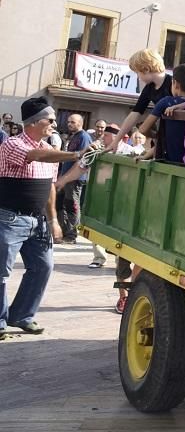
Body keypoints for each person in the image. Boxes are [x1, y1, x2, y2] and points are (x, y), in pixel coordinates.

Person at [0, 98, 85, 338]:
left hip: (37, 222)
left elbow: (49, 187)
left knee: (43, 267)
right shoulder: (13, 144)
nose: (54, 124)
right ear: (35, 122)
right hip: (9, 219)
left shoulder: (50, 151)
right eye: (50, 120)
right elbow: (35, 155)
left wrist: (53, 220)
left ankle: (22, 316)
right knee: (1, 272)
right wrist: (75, 153)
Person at [109, 49, 172, 152]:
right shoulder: (149, 88)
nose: (138, 77)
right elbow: (135, 113)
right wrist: (116, 141)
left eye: (137, 73)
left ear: (146, 69)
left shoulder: (172, 83)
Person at [140, 63, 185, 163]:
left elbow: (143, 129)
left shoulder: (166, 102)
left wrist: (156, 135)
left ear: (175, 84)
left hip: (170, 161)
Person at [57, 114, 92, 245]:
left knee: (72, 206)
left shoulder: (84, 137)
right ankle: (63, 231)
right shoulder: (73, 136)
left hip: (75, 178)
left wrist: (69, 176)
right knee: (59, 204)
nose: (69, 124)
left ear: (80, 123)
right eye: (68, 121)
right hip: (65, 177)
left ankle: (71, 235)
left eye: (73, 122)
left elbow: (83, 160)